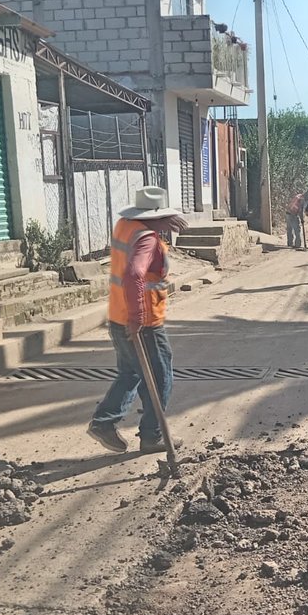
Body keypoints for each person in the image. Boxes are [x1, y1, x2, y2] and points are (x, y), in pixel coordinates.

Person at [87, 186, 188, 455]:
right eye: (164, 218)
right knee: (160, 376)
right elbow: (134, 274)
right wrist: (139, 318)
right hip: (143, 323)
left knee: (130, 372)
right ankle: (152, 435)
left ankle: (104, 422)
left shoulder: (125, 226)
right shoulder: (148, 239)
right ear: (156, 216)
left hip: (118, 316)